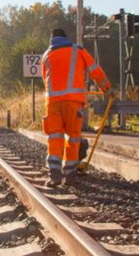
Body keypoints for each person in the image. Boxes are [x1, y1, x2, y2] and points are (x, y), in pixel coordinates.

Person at [41, 28, 112, 187]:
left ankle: (54, 176)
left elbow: (45, 79)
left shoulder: (46, 55)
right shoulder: (77, 50)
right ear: (66, 37)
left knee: (54, 138)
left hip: (52, 103)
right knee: (73, 138)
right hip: (73, 102)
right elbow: (95, 70)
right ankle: (70, 176)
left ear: (51, 39)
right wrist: (106, 88)